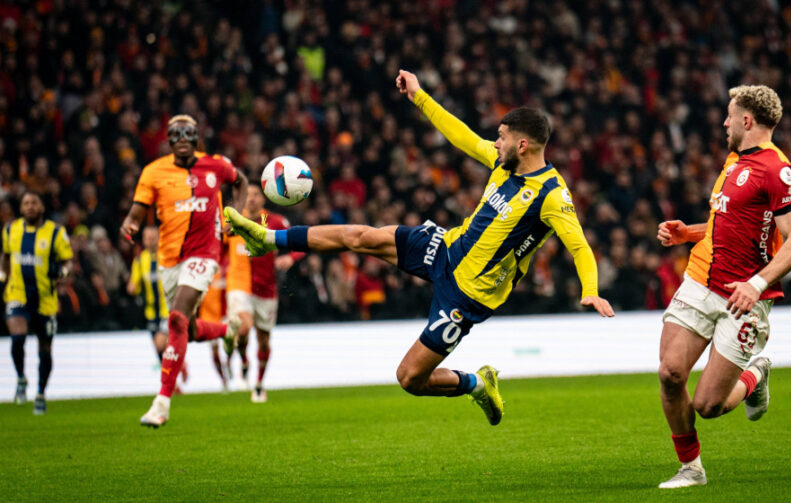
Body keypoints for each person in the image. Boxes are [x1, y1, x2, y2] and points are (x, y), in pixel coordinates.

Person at [226, 70, 615, 425]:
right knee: (361, 237)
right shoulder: (503, 163)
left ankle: (477, 384)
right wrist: (419, 96)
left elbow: (580, 246)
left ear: (523, 145)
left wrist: (591, 289)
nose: (495, 143)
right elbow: (460, 135)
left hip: (467, 294)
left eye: (502, 137)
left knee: (410, 378)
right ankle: (267, 238)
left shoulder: (551, 195)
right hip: (445, 247)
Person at [655, 85, 791, 488]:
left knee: (708, 405)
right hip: (700, 280)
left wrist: (756, 284)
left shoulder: (778, 171)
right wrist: (687, 233)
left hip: (744, 298)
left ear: (746, 120)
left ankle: (755, 374)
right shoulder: (734, 160)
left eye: (729, 115)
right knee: (670, 373)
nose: (724, 123)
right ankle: (691, 469)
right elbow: (728, 224)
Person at [121, 114, 248, 428]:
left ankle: (162, 403)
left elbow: (241, 181)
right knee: (186, 329)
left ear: (196, 137)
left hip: (205, 252)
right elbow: (137, 211)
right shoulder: (153, 172)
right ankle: (227, 330)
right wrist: (130, 223)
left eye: (187, 132)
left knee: (176, 319)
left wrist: (235, 214)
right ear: (167, 139)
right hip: (169, 259)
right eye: (175, 133)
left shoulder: (215, 165)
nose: (181, 138)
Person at [224, 183, 301, 402]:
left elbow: (300, 243)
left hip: (266, 289)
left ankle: (258, 383)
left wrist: (290, 257)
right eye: (246, 194)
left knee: (264, 341)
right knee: (243, 327)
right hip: (239, 284)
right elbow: (216, 244)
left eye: (256, 194)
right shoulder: (232, 220)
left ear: (263, 198)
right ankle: (243, 360)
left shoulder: (275, 221)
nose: (251, 198)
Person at [2, 192, 73, 414]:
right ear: (21, 208)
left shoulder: (56, 232)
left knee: (45, 349)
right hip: (17, 294)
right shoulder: (10, 230)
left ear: (42, 206)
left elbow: (68, 261)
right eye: (25, 203)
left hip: (45, 300)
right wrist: (3, 276)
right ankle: (21, 378)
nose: (30, 206)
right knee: (18, 338)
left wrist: (62, 272)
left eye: (34, 202)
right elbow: (5, 256)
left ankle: (41, 393)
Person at [127, 226, 169, 363]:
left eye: (153, 238)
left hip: (167, 311)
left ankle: (173, 368)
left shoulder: (167, 256)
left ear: (159, 238)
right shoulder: (140, 260)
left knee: (159, 344)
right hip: (150, 312)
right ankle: (172, 371)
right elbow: (133, 286)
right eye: (147, 238)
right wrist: (132, 287)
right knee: (158, 350)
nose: (150, 241)